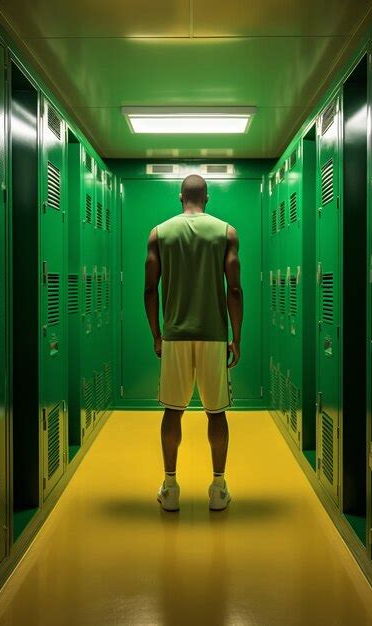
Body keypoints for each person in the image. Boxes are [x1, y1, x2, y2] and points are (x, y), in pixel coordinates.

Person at [144, 174, 243, 512]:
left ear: (179, 197)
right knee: (216, 413)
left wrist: (157, 335)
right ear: (208, 198)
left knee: (173, 411)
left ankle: (170, 488)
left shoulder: (159, 233)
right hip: (214, 335)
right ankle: (218, 488)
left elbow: (149, 290)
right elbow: (234, 290)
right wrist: (237, 338)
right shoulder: (226, 231)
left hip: (175, 336)